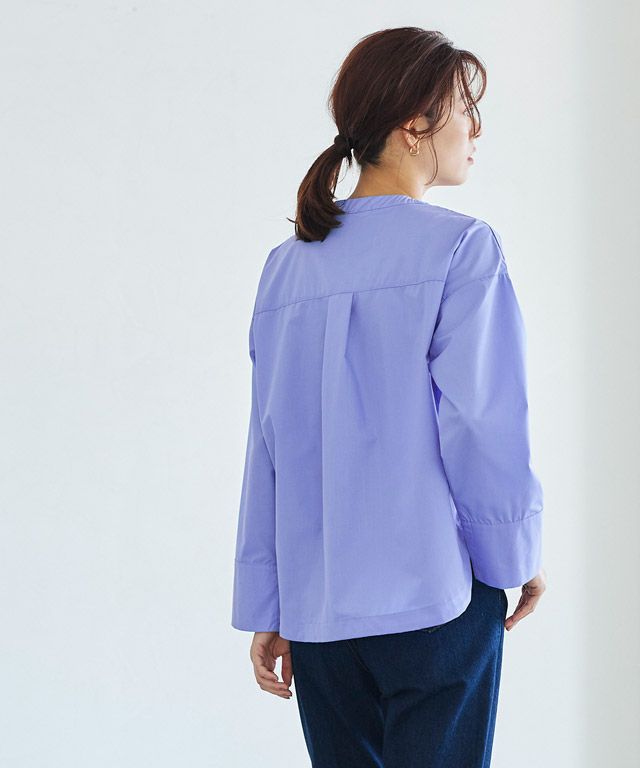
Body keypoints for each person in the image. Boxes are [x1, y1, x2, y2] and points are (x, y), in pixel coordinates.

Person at [231, 26, 547, 768]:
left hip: (320, 616)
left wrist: (270, 602)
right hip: (435, 601)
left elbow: (269, 443)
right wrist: (515, 553)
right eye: (467, 109)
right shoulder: (462, 247)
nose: (477, 130)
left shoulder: (286, 268)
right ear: (414, 122)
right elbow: (483, 424)